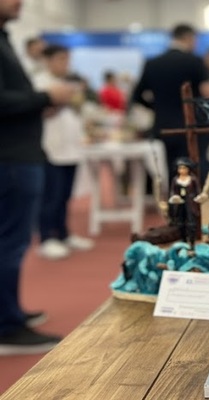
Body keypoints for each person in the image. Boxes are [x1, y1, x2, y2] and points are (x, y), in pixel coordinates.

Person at [0, 0, 76, 355]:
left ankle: (10, 313)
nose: (20, 2)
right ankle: (6, 326)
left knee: (12, 242)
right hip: (11, 156)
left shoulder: (4, 38)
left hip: (19, 153)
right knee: (10, 243)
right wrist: (44, 96)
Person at [32, 44, 94, 260]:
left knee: (65, 196)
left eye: (67, 60)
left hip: (71, 147)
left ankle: (63, 233)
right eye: (60, 59)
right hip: (50, 148)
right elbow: (40, 112)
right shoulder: (40, 83)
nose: (65, 64)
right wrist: (62, 99)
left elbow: (77, 111)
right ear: (48, 61)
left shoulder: (69, 83)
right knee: (51, 196)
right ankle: (46, 237)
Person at [130, 23, 209, 182]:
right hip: (192, 127)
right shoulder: (194, 61)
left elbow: (137, 96)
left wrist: (155, 107)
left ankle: (173, 198)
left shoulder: (152, 63)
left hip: (163, 127)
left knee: (170, 174)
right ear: (188, 37)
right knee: (194, 174)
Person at [167, 158, 201, 250]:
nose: (182, 170)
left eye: (184, 168)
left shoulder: (192, 179)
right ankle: (183, 240)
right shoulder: (175, 180)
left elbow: (198, 191)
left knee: (191, 223)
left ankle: (192, 242)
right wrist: (174, 197)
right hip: (179, 202)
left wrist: (198, 198)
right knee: (180, 222)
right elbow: (173, 191)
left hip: (190, 202)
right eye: (180, 168)